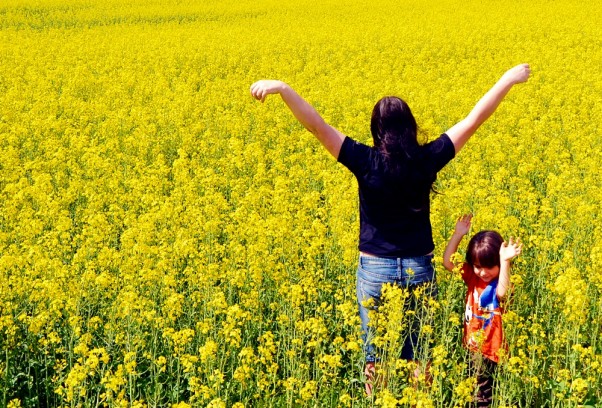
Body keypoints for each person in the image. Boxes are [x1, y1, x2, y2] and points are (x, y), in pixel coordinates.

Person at [250, 64, 531, 396]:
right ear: (410, 126)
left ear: (376, 129)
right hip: (418, 266)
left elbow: (318, 127)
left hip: (375, 269)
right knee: (419, 353)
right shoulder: (427, 158)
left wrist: (283, 87)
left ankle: (375, 402)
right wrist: (507, 79)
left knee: (375, 354)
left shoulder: (365, 160)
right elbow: (473, 120)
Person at [443, 214, 522, 407]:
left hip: (492, 350)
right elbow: (448, 263)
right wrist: (458, 234)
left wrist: (505, 262)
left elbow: (502, 293)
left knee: (484, 396)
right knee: (475, 392)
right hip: (473, 347)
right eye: (478, 266)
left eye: (490, 267)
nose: (483, 272)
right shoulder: (472, 277)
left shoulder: (501, 282)